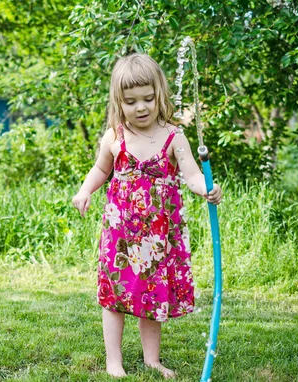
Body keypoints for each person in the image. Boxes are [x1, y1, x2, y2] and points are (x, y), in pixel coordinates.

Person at [72, 53, 222, 379]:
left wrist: (206, 188)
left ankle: (152, 360)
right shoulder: (115, 135)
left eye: (148, 99)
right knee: (114, 296)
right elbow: (100, 169)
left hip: (157, 238)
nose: (140, 107)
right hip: (120, 233)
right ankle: (114, 362)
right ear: (118, 101)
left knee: (151, 297)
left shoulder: (174, 136)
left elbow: (192, 175)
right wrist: (85, 191)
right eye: (130, 101)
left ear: (159, 94)